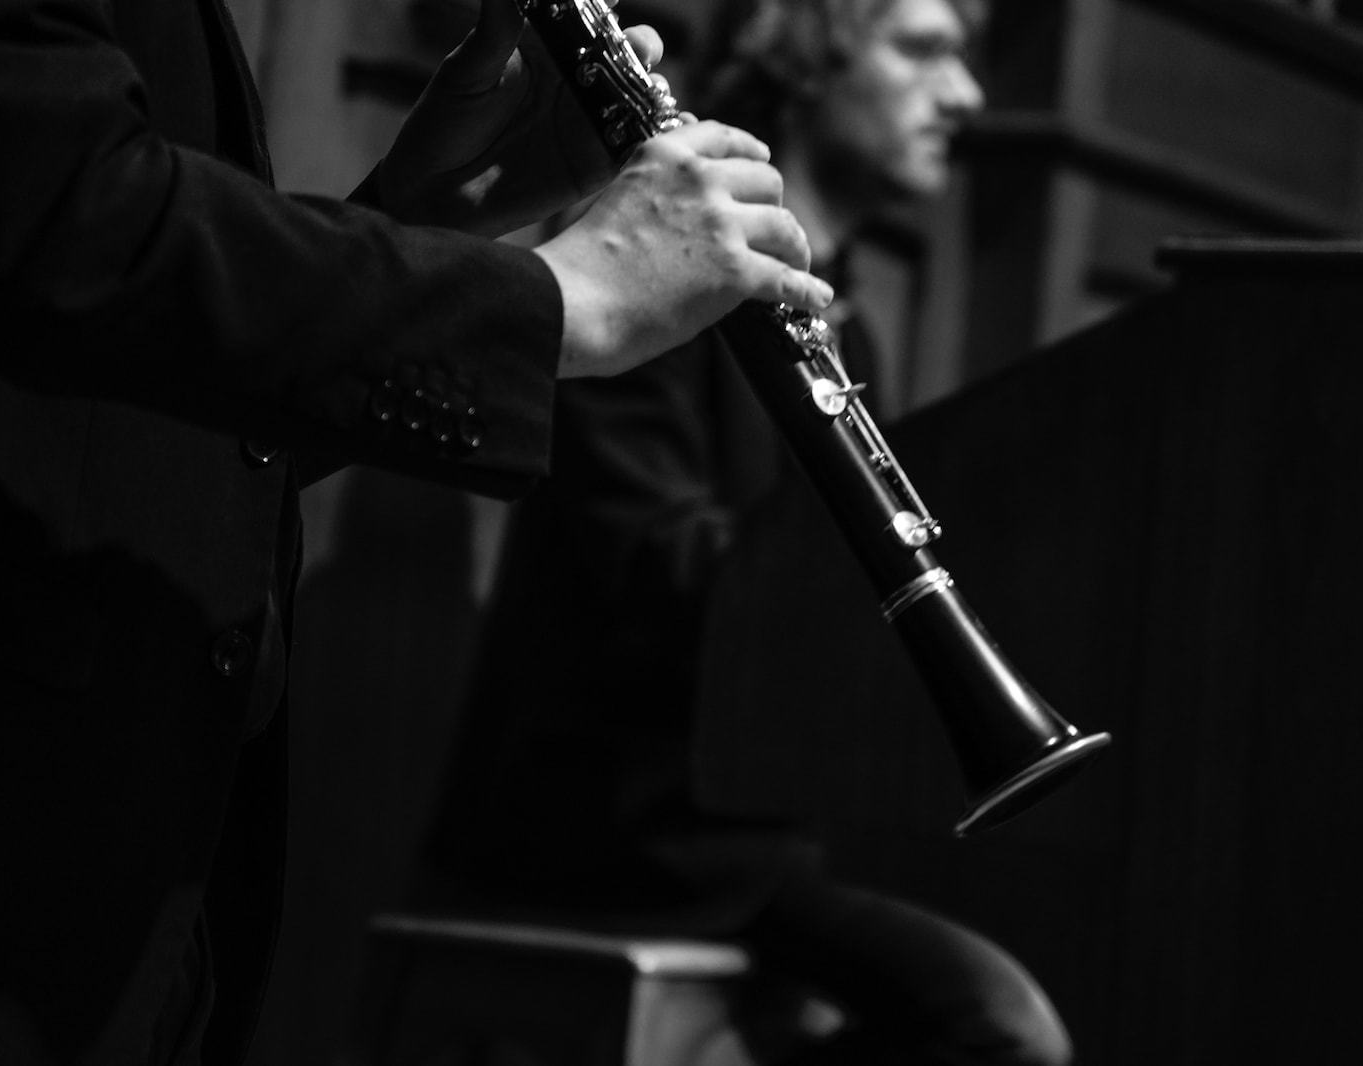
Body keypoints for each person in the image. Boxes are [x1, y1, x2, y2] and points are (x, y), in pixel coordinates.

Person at [0, 0, 834, 1061]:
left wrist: (422, 221)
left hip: (92, 865)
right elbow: (54, 210)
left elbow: (107, 391)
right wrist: (549, 301)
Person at [422, 0, 1074, 1063]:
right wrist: (886, 587)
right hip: (616, 835)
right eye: (921, 51)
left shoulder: (835, 317)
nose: (964, 97)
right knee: (996, 1026)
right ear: (807, 62)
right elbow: (648, 578)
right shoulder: (665, 271)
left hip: (748, 839)